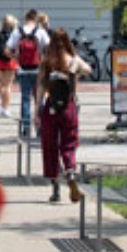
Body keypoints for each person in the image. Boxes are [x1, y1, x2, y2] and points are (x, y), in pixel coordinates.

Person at [37, 26, 92, 203]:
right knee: (68, 144)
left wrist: (37, 111)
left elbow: (40, 88)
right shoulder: (73, 60)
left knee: (50, 147)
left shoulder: (46, 62)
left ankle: (55, 188)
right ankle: (70, 172)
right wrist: (75, 68)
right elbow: (89, 69)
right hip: (69, 108)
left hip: (50, 108)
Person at [12, 8, 49, 139]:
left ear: (26, 18)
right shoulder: (40, 31)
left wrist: (16, 58)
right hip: (38, 70)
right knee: (39, 100)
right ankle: (40, 128)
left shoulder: (18, 31)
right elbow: (49, 47)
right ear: (36, 19)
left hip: (22, 70)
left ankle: (26, 128)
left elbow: (8, 49)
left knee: (25, 99)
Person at [0, 13, 19, 117]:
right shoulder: (15, 34)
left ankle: (2, 107)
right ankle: (6, 108)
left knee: (2, 85)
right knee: (8, 85)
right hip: (10, 62)